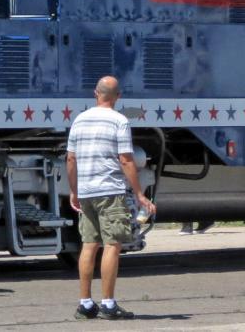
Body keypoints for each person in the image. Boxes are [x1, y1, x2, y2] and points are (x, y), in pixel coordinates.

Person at [66, 76, 156, 321]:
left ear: (96, 93)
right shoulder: (119, 120)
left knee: (89, 245)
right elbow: (126, 159)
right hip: (109, 190)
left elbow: (71, 159)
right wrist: (139, 193)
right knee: (112, 245)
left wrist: (74, 190)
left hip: (86, 192)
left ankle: (85, 304)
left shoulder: (79, 120)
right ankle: (108, 304)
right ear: (118, 96)